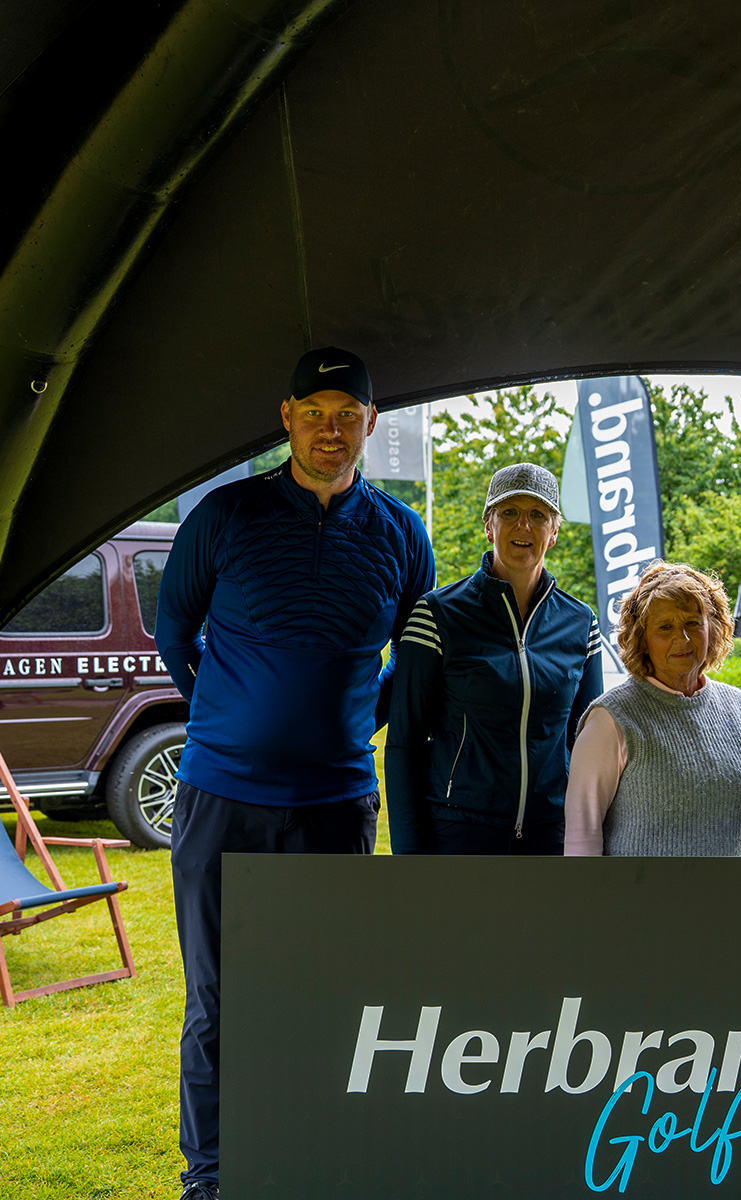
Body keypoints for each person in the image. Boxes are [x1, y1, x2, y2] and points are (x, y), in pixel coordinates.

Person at [155, 347, 436, 1200]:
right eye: (313, 413)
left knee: (329, 993)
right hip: (221, 797)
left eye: (346, 415)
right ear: (286, 418)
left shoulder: (401, 534)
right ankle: (211, 1174)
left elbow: (413, 654)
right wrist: (225, 719)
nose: (329, 430)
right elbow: (175, 633)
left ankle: (314, 1156)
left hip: (336, 802)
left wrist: (358, 720)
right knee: (218, 998)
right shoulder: (225, 515)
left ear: (371, 424)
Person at [385, 462, 602, 854]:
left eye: (538, 515)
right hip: (458, 832)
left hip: (550, 835)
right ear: (489, 526)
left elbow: (590, 745)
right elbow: (405, 741)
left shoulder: (581, 623)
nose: (524, 526)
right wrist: (409, 854)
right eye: (509, 512)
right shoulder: (437, 614)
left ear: (554, 533)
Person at [564, 560, 741, 857]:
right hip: (636, 889)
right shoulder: (610, 720)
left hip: (732, 889)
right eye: (665, 627)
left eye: (692, 623)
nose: (681, 638)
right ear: (642, 638)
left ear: (712, 627)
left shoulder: (739, 711)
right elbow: (582, 835)